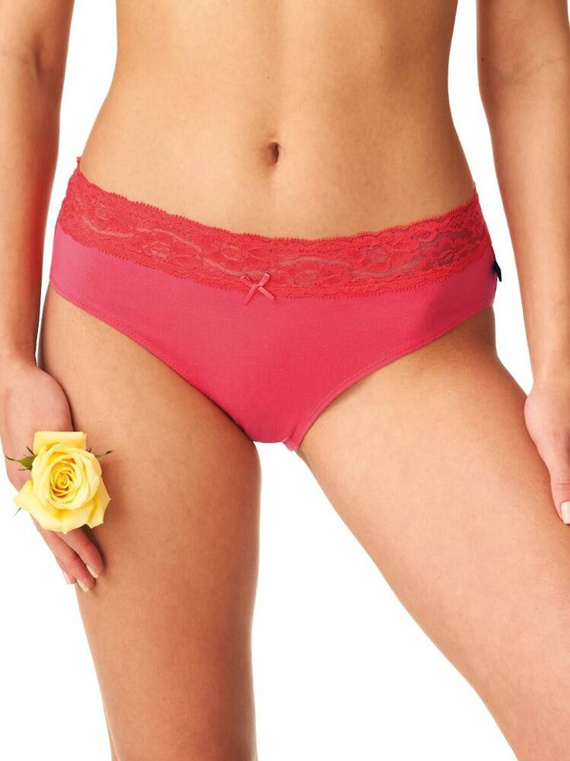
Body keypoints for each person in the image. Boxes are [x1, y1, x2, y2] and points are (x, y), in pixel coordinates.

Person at [0, 1, 569, 759]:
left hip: (407, 321)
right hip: (134, 313)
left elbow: (528, 57)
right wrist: (5, 356)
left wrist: (561, 359)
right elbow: (22, 49)